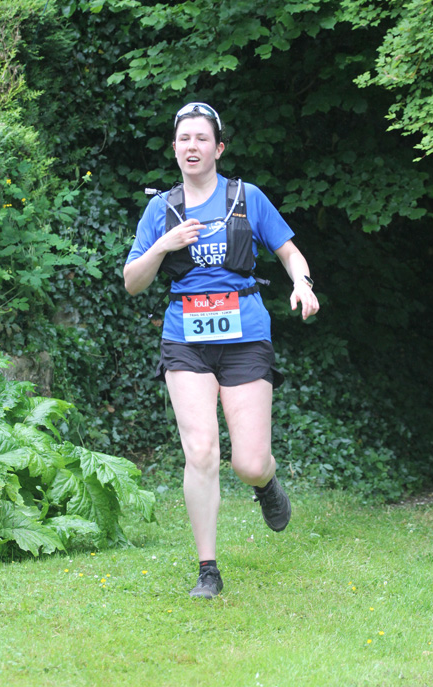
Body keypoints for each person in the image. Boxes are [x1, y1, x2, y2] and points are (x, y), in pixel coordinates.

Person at [124, 101, 319, 599]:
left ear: (218, 148)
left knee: (248, 462)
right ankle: (207, 569)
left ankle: (265, 483)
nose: (192, 146)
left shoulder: (247, 198)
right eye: (184, 138)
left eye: (202, 138)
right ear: (174, 148)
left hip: (245, 337)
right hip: (185, 340)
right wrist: (163, 245)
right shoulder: (160, 209)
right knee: (201, 451)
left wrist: (302, 283)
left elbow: (290, 252)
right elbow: (132, 282)